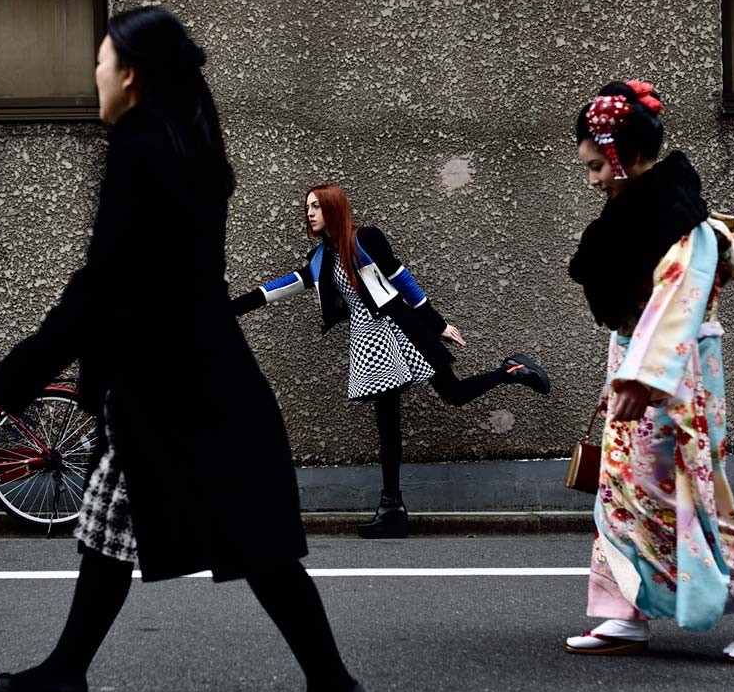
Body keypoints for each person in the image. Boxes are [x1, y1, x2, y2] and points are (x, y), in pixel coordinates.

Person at [0, 6, 367, 692]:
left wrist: (22, 369)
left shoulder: (141, 148)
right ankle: (65, 670)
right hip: (176, 376)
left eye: (100, 61)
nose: (92, 74)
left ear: (129, 74)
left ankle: (335, 687)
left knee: (255, 540)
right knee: (107, 522)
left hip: (186, 386)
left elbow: (104, 282)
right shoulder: (183, 143)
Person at [564, 79, 734, 661]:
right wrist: (629, 372)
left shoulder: (680, 218)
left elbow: (678, 304)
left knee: (682, 490)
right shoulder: (640, 211)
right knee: (624, 487)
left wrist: (640, 379)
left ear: (625, 155)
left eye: (598, 164)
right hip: (641, 362)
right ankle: (625, 611)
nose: (593, 177)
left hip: (674, 371)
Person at [232, 185, 550, 538]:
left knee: (453, 393)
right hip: (370, 342)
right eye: (307, 207)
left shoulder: (365, 239)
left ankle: (511, 371)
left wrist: (438, 324)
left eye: (317, 206)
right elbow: (278, 288)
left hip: (403, 329)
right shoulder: (320, 259)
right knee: (387, 424)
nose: (309, 213)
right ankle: (392, 509)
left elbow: (402, 280)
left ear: (334, 209)